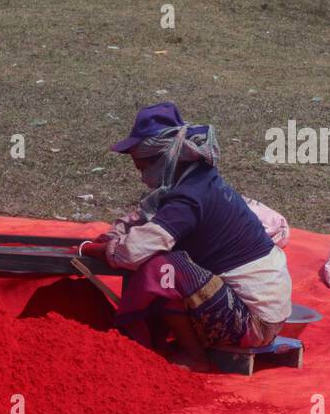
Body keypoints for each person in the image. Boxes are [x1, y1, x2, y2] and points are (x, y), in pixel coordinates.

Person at [80, 103, 292, 356]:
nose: (142, 177)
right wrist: (115, 235)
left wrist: (93, 249)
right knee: (166, 259)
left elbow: (132, 252)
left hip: (253, 323)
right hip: (262, 314)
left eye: (142, 168)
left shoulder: (188, 198)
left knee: (163, 266)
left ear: (164, 158)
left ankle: (195, 357)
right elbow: (146, 221)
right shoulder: (201, 180)